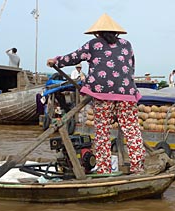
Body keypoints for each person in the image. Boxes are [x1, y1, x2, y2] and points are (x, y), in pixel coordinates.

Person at [46, 13, 146, 174]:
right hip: (127, 93)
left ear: (97, 33)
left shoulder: (94, 44)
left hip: (102, 94)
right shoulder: (127, 44)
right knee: (132, 130)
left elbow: (74, 57)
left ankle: (104, 169)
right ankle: (137, 167)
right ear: (116, 33)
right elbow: (131, 66)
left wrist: (56, 61)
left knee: (102, 131)